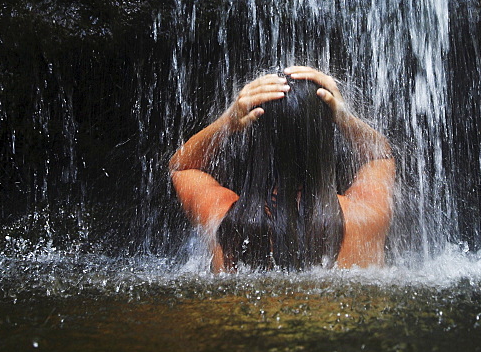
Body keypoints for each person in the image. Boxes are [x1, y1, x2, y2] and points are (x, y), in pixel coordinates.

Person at [169, 66, 395, 271]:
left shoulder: (221, 221)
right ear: (325, 139)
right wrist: (345, 118)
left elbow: (181, 167)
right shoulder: (366, 218)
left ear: (256, 141)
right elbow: (381, 155)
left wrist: (228, 122)